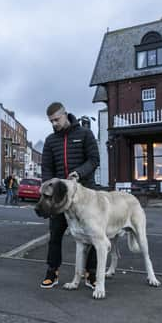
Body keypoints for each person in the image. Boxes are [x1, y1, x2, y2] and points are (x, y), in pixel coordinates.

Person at [40, 102, 100, 289]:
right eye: (51, 121)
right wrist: (50, 187)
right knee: (55, 234)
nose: (54, 124)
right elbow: (47, 168)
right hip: (60, 198)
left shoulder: (85, 134)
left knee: (92, 236)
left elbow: (94, 160)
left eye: (56, 119)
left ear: (65, 115)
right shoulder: (50, 141)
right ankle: (52, 272)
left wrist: (79, 173)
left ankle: (91, 274)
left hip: (85, 196)